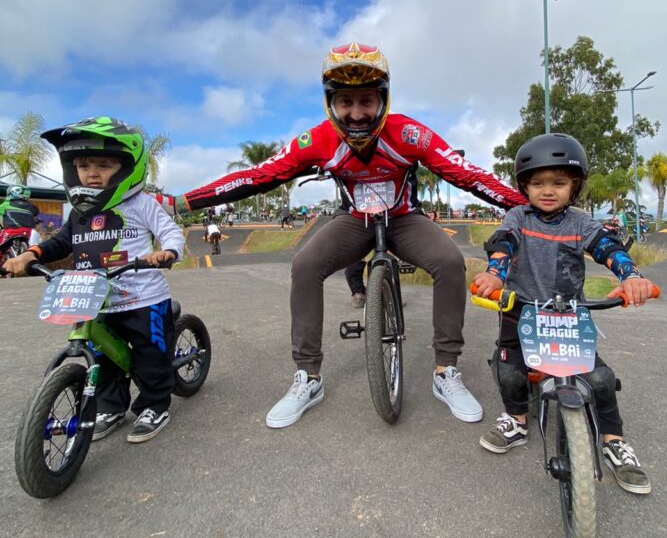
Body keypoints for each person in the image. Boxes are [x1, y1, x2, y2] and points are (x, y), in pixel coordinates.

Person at [174, 42, 526, 428]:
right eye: (346, 102)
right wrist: (186, 201)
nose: (357, 114)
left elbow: (468, 175)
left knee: (448, 261)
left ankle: (446, 371)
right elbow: (258, 176)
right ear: (330, 104)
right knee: (305, 265)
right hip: (353, 220)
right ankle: (308, 377)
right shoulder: (317, 140)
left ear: (383, 100)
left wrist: (523, 203)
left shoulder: (409, 133)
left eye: (366, 101)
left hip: (405, 218)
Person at [472, 133, 654, 494]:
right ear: (524, 186)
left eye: (559, 182)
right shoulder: (517, 217)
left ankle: (614, 441)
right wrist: (495, 274)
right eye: (538, 183)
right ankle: (517, 419)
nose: (548, 190)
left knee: (600, 379)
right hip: (520, 312)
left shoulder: (581, 223)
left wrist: (631, 276)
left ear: (576, 185)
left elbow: (607, 247)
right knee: (509, 371)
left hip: (568, 317)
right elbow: (503, 245)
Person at [3, 117, 184, 443]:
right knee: (100, 356)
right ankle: (111, 407)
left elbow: (169, 232)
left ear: (128, 166)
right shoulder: (79, 213)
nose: (92, 173)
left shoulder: (141, 204)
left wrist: (167, 252)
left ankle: (156, 404)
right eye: (84, 165)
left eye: (104, 164)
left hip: (142, 297)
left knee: (150, 355)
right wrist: (29, 255)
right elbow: (59, 243)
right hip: (95, 297)